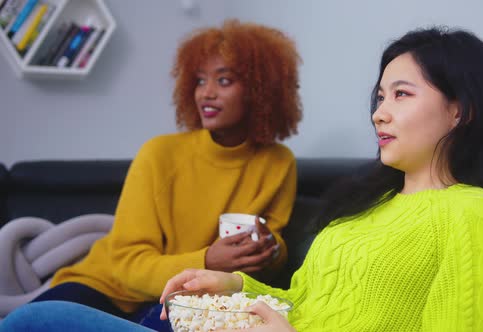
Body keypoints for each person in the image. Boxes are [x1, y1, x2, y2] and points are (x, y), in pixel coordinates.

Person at [0, 26, 483, 331]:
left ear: (460, 109)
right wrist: (232, 284)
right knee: (47, 319)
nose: (378, 113)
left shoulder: (478, 215)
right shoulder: (368, 208)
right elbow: (300, 302)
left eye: (401, 94)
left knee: (35, 326)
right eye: (378, 97)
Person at [22, 19, 302, 329]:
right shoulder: (159, 153)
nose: (206, 94)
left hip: (190, 300)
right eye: (199, 81)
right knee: (27, 323)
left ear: (260, 89)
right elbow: (125, 265)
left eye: (224, 81)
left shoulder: (279, 162)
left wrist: (270, 250)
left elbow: (272, 258)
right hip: (106, 288)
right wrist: (207, 261)